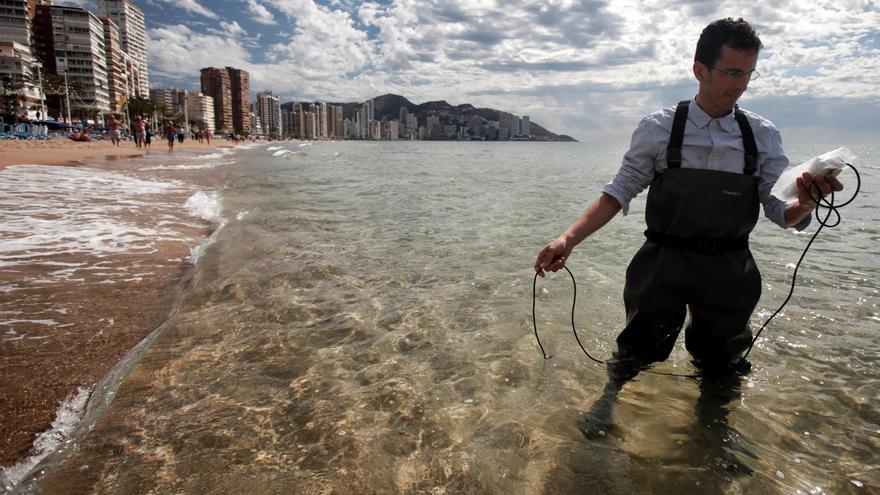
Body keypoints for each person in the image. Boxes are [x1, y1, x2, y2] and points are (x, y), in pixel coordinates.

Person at [534, 18, 843, 442]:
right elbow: (618, 191)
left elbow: (779, 211)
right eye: (732, 72)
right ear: (700, 69)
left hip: (731, 268)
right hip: (664, 262)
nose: (741, 84)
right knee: (636, 346)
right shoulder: (660, 128)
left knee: (724, 362)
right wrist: (568, 237)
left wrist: (807, 200)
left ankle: (712, 430)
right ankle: (608, 400)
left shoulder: (763, 136)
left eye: (748, 73)